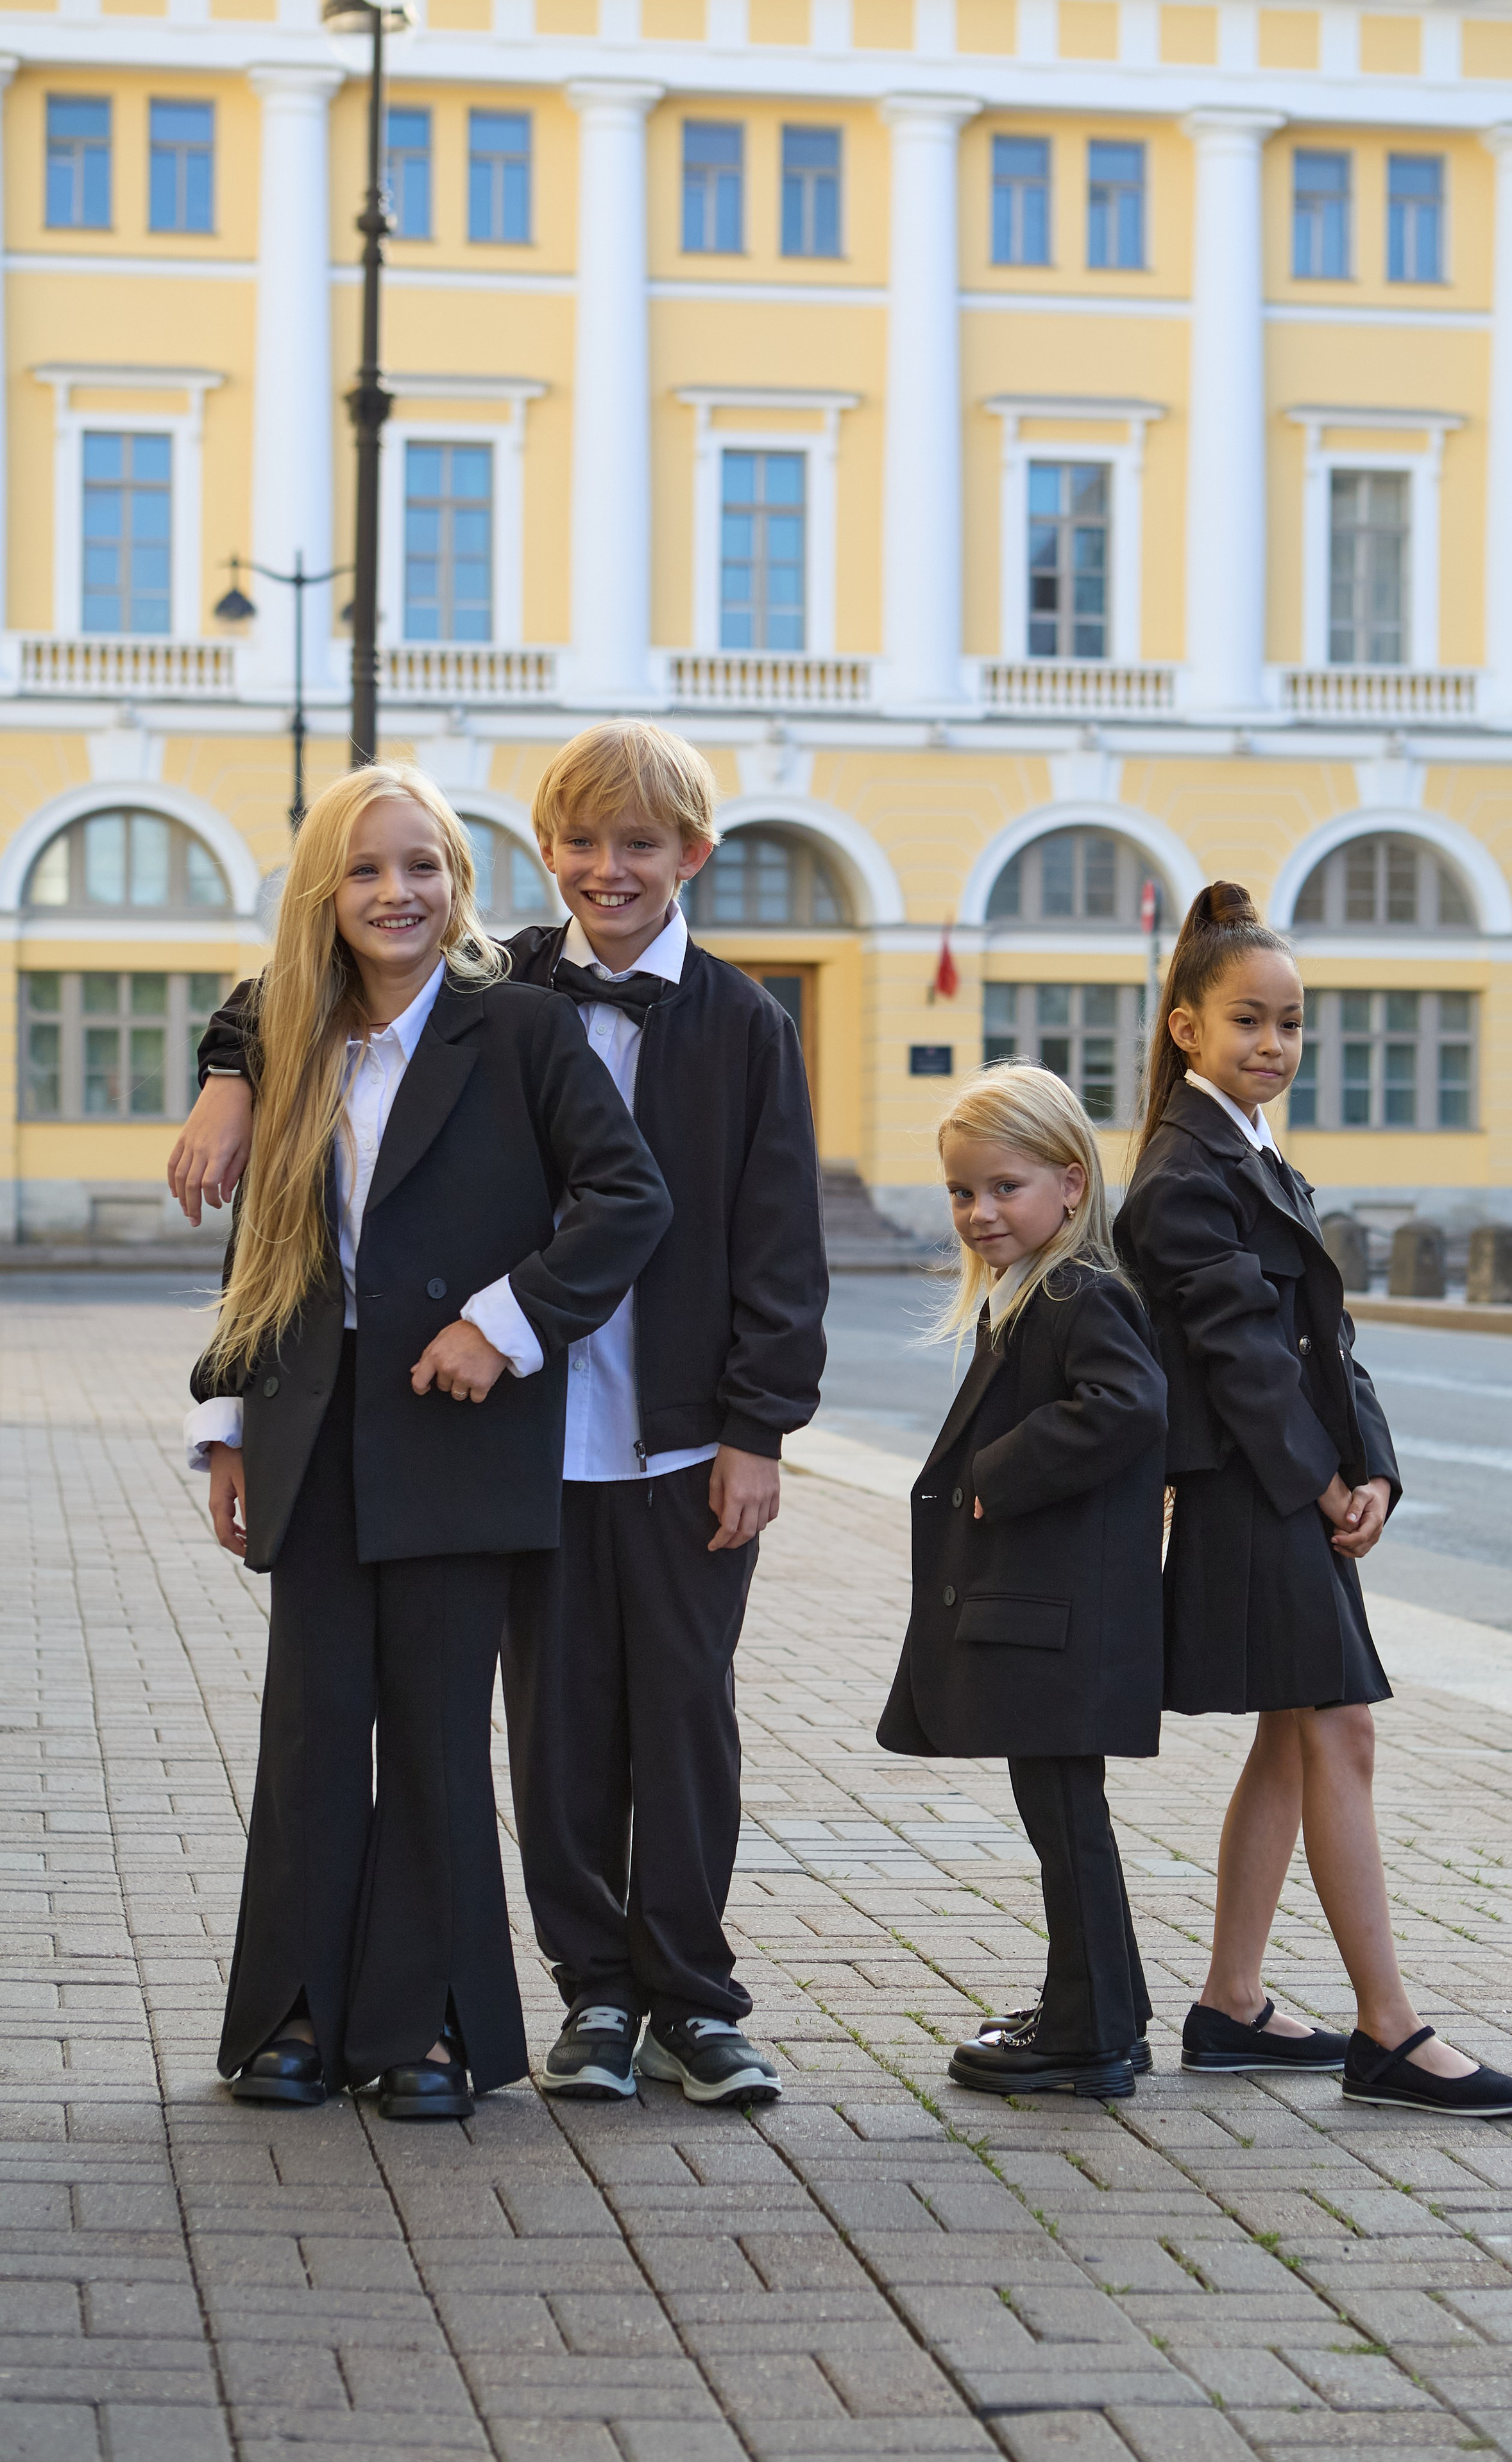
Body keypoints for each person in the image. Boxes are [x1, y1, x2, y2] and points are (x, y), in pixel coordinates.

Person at [169, 721, 828, 2108]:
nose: (604, 868)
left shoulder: (717, 1023)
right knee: (533, 1730)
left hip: (662, 1433)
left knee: (672, 1720)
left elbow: (763, 1240)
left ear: (689, 857)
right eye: (579, 845)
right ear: (541, 860)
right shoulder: (493, 978)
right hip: (483, 1442)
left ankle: (675, 2004)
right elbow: (284, 1014)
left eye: (636, 844)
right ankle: (575, 1996)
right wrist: (227, 1082)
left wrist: (756, 1427)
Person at [1114, 880, 1512, 2118]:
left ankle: (1231, 2003)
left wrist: (1379, 1466)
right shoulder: (1184, 1174)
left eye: (1293, 1025)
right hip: (1253, 1492)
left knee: (1297, 1743)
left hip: (1285, 1485)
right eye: (1251, 1021)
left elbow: (1324, 1341)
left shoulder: (1245, 1153)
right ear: (1186, 1027)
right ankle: (1389, 2032)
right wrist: (1324, 1480)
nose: (1276, 1046)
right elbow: (1245, 1357)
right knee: (1335, 1733)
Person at [877, 1061, 1169, 2100]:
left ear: (1071, 1187)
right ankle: (1106, 2012)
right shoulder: (1031, 1294)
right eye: (962, 1191)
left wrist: (998, 1476)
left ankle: (1087, 2038)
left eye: (1006, 1188)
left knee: (1064, 1819)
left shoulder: (1076, 1294)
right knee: (1064, 1815)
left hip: (1062, 1621)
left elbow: (1128, 1406)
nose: (980, 1211)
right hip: (1052, 1618)